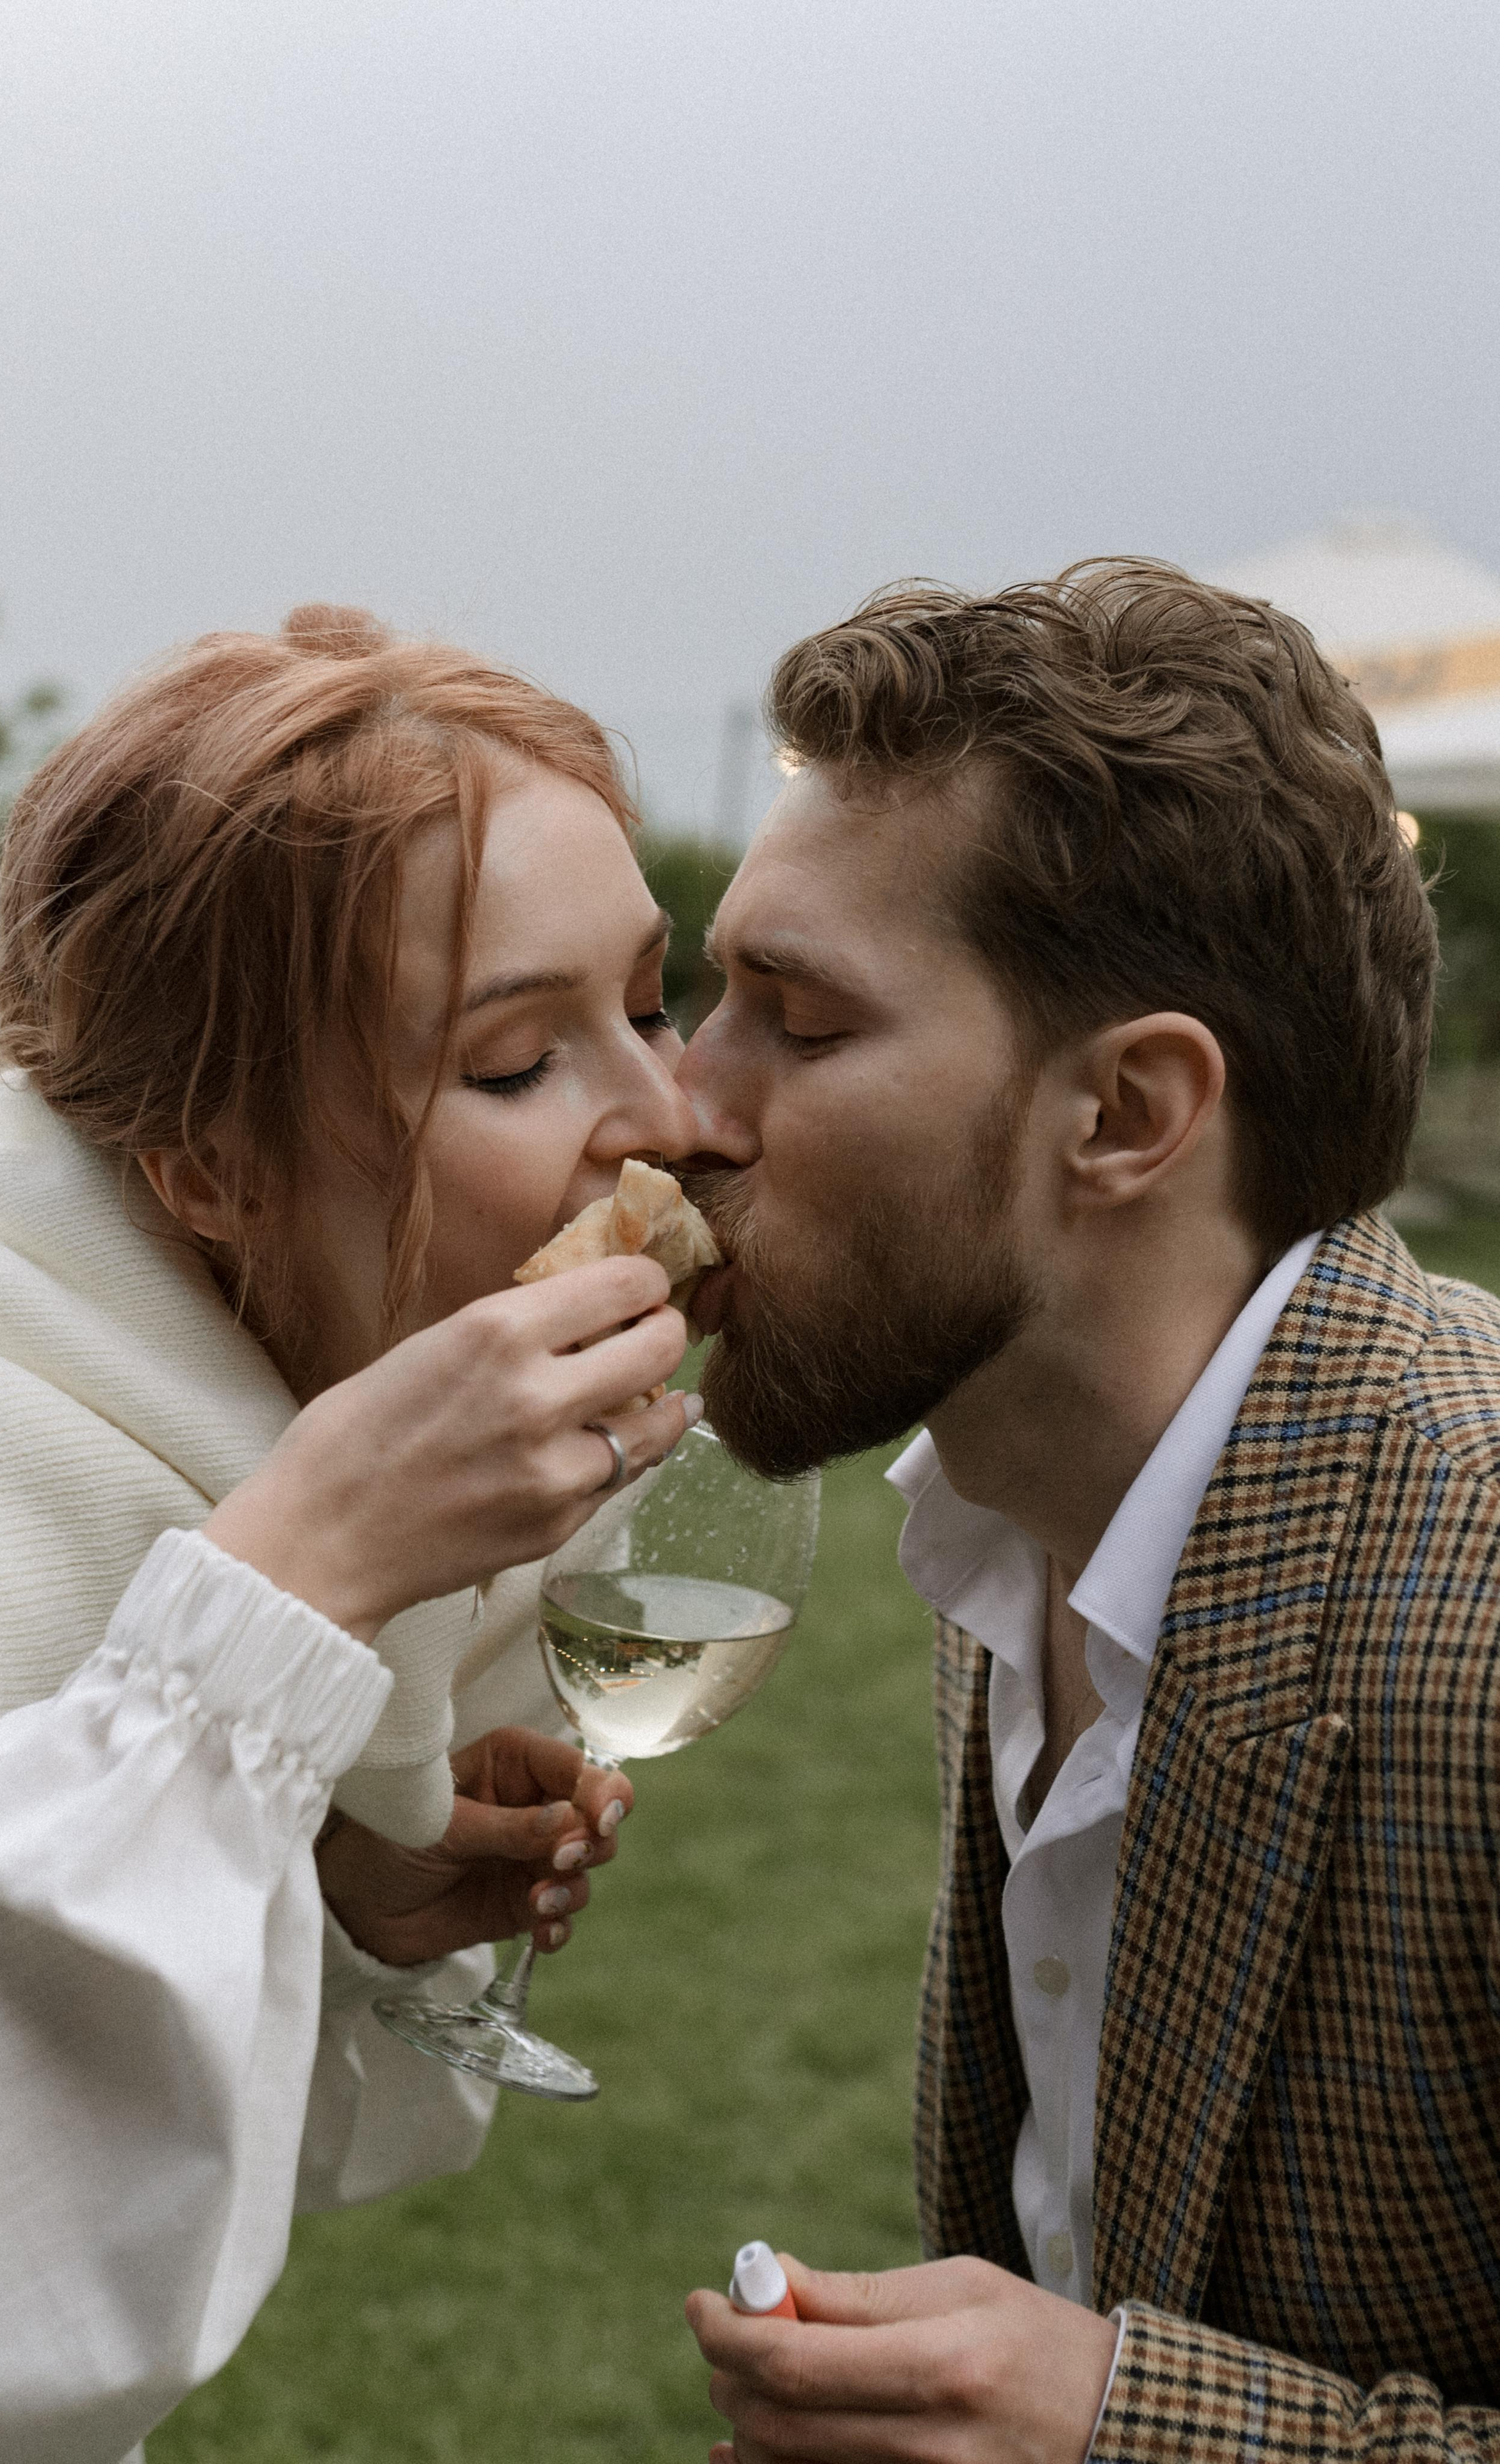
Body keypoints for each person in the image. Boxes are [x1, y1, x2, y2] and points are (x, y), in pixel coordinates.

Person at [0, 603, 703, 2463]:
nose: (665, 1116)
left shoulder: (236, 1373)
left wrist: (339, 1904)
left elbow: (162, 2194)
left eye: (652, 1001)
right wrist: (289, 1584)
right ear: (212, 1176)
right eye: (512, 1065)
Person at [678, 564, 1499, 2461]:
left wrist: (1129, 2432)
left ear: (1126, 1115)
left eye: (793, 1028)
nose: (675, 1106)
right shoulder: (1027, 1502)